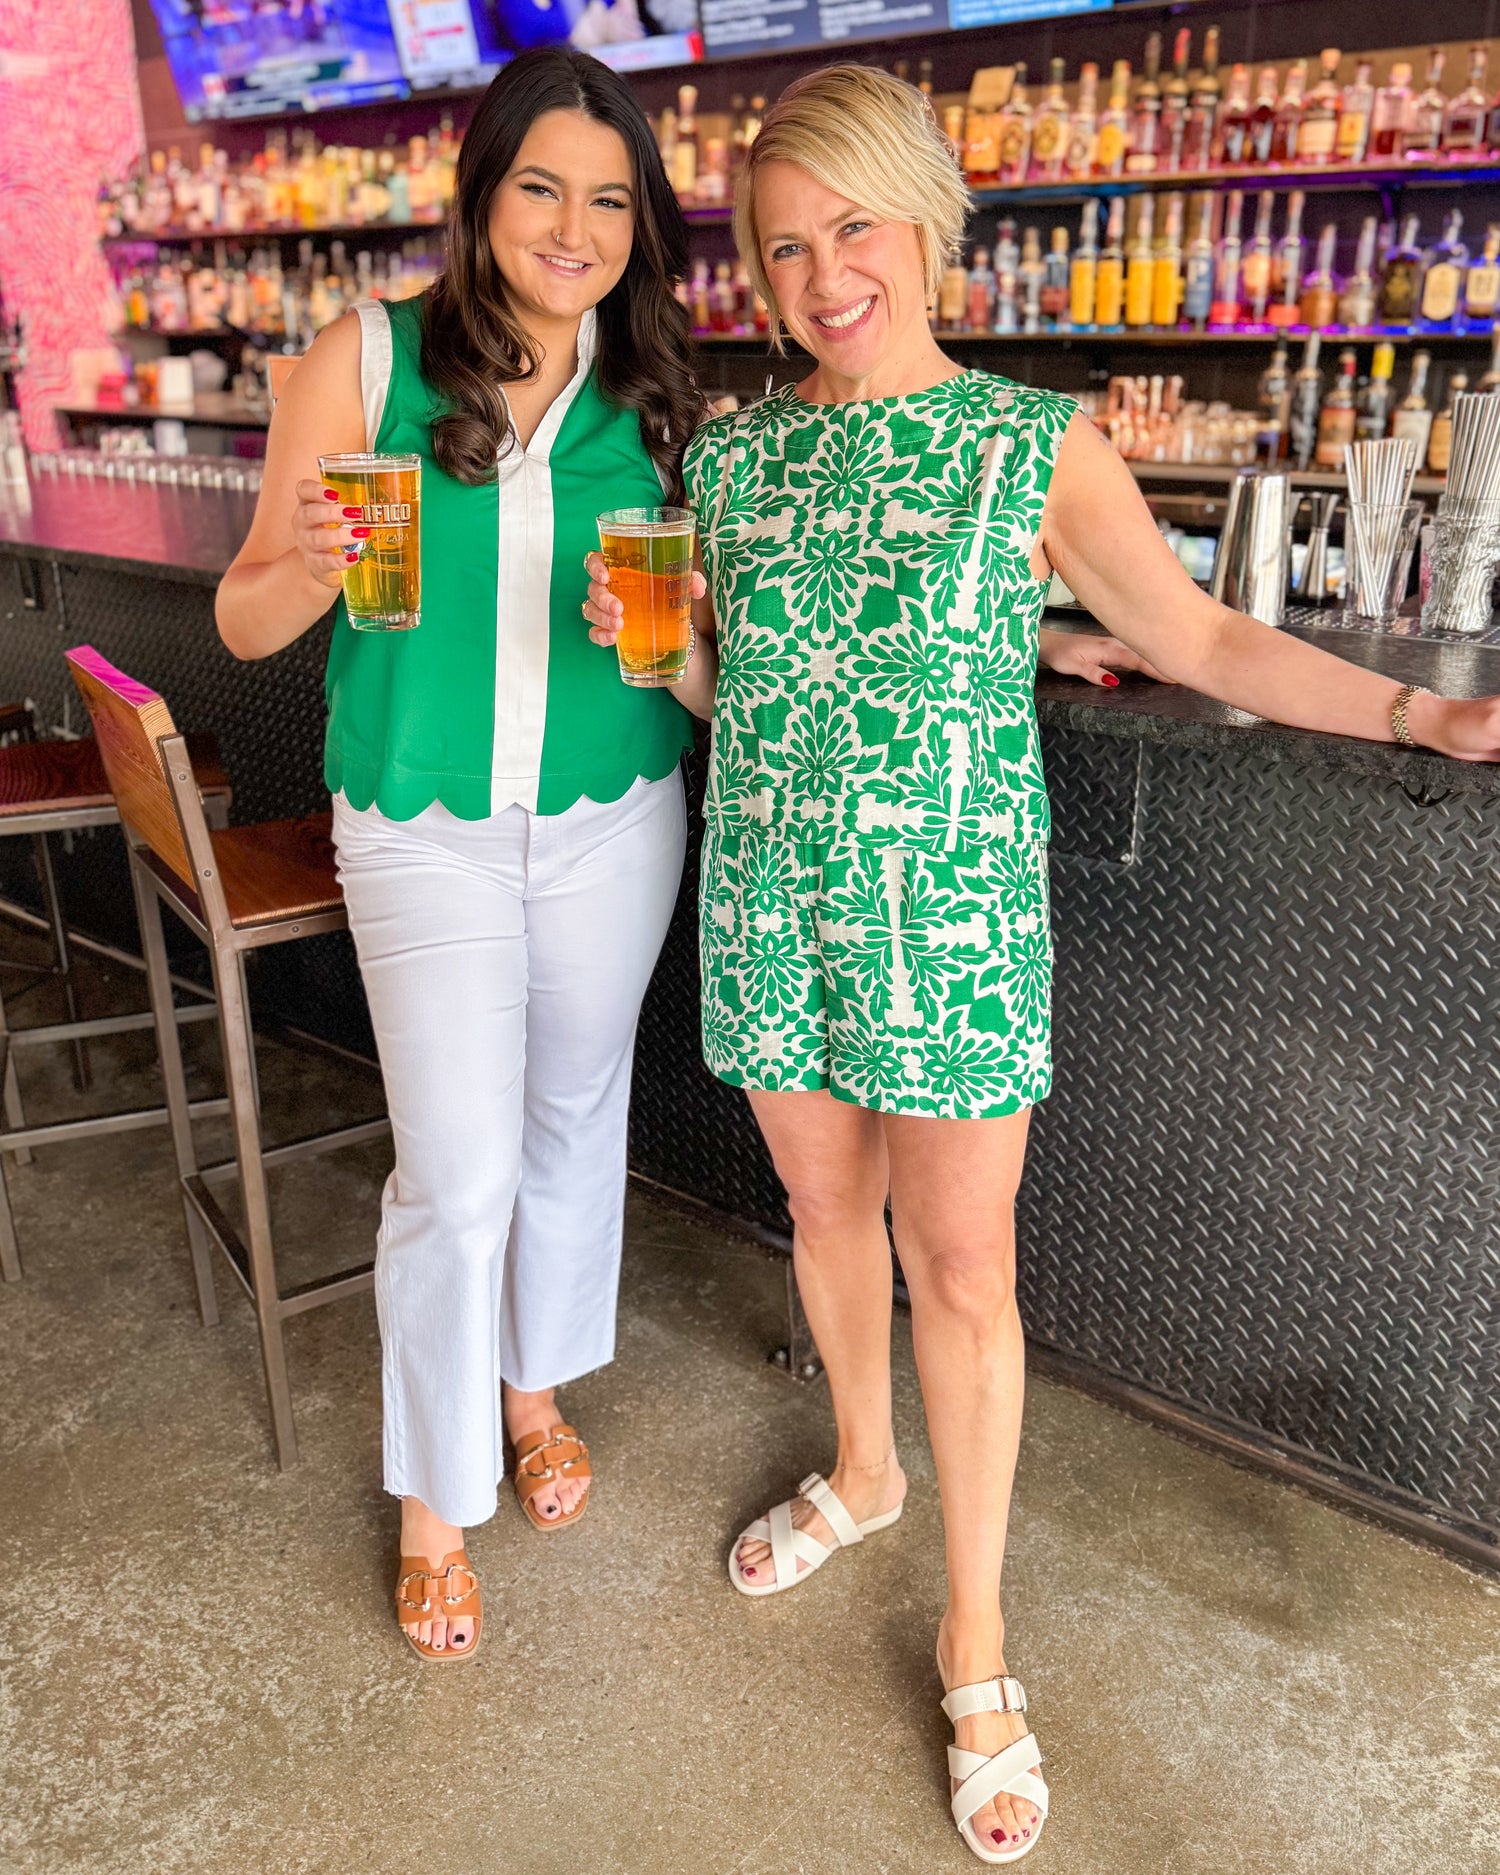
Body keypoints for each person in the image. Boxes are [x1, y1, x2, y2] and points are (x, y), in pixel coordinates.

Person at [584, 63, 1500, 1865]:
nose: (824, 274)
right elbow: (730, 693)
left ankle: (975, 1637)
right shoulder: (733, 458)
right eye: (785, 247)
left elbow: (1206, 637)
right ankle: (862, 1471)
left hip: (953, 925)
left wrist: (1418, 711)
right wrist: (653, 650)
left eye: (854, 226)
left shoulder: (1034, 445)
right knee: (822, 1217)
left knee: (962, 1270)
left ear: (925, 223)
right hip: (769, 894)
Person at [216, 48, 704, 1661]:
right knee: (458, 1168)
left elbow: (705, 656)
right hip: (422, 826)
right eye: (541, 188)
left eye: (610, 201)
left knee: (573, 1117)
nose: (574, 229)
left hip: (614, 815)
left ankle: (532, 1390)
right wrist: (307, 561)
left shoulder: (658, 391)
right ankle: (437, 1501)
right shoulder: (365, 360)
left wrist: (671, 641)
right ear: (482, 194)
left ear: (641, 225)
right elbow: (245, 619)